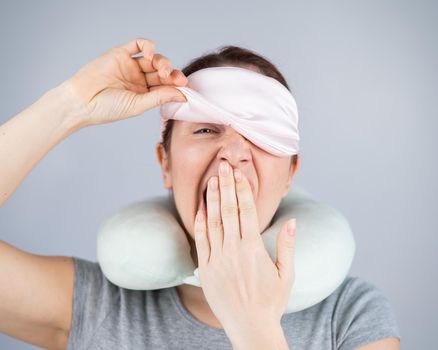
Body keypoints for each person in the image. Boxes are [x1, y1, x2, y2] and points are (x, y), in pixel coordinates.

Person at [0, 37, 401, 350]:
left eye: (261, 136)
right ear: (166, 164)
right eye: (206, 130)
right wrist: (70, 105)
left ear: (289, 174)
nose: (233, 152)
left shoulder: (351, 315)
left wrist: (255, 329)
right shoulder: (98, 306)